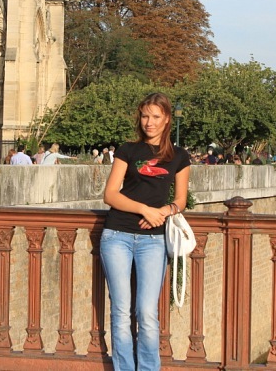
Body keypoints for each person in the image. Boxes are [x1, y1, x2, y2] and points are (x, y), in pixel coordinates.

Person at [100, 92, 190, 371]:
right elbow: (110, 195)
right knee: (120, 311)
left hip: (154, 241)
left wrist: (164, 211)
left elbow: (181, 200)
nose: (149, 122)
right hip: (117, 235)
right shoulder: (128, 150)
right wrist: (145, 210)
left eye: (155, 117)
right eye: (144, 116)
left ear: (167, 120)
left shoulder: (179, 156)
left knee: (147, 313)